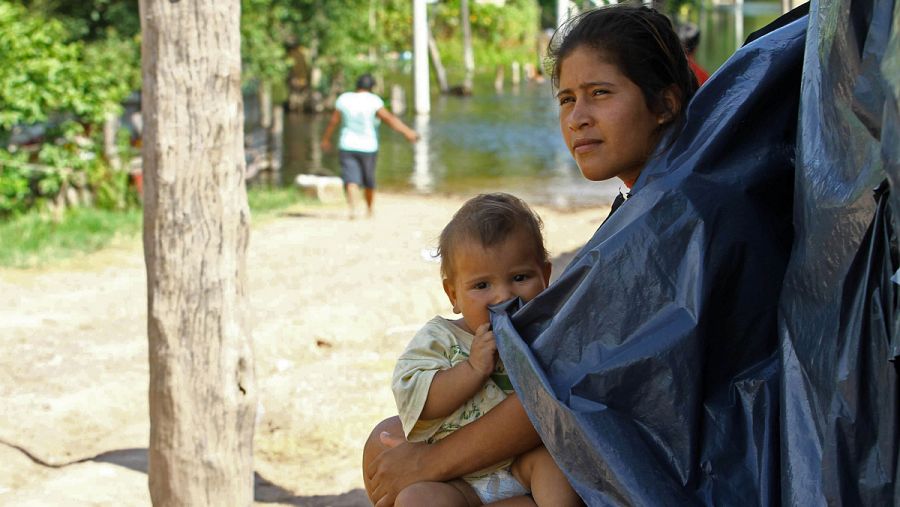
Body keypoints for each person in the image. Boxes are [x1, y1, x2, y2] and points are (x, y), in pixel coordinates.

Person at [363, 5, 702, 505]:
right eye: (566, 99)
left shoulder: (672, 222)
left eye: (600, 93)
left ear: (665, 103)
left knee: (399, 457)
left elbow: (568, 392)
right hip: (604, 440)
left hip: (659, 468)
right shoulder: (656, 200)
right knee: (386, 440)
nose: (577, 118)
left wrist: (428, 462)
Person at [391, 193, 582, 506]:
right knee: (416, 499)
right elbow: (418, 399)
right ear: (453, 294)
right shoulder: (440, 338)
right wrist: (471, 370)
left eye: (520, 278)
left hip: (524, 466)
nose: (503, 297)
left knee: (556, 468)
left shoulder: (549, 335)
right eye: (482, 286)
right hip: (460, 478)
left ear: (545, 277)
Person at [320, 73, 418, 218]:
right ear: (371, 87)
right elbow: (389, 119)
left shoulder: (344, 99)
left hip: (347, 144)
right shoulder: (374, 101)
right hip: (368, 147)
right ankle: (369, 209)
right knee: (369, 180)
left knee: (350, 178)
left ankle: (353, 209)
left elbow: (334, 121)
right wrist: (407, 132)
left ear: (357, 85)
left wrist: (326, 139)